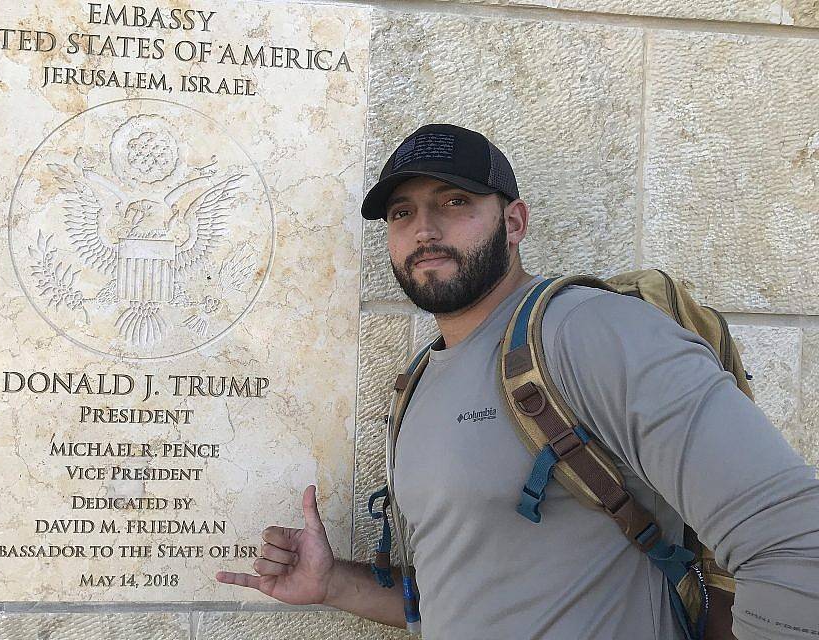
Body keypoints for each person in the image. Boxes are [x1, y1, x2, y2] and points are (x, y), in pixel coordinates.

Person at [216, 124, 819, 639]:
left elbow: (797, 541)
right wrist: (334, 585)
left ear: (514, 221)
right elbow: (466, 598)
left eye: (454, 202)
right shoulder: (419, 383)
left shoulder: (589, 333)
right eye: (402, 212)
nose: (425, 228)